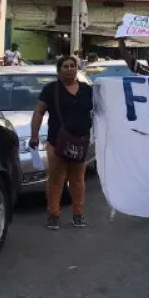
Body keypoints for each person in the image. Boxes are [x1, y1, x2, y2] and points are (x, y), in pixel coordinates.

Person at [29, 56, 94, 230]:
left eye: (73, 66)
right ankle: (53, 215)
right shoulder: (51, 89)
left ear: (77, 69)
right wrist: (34, 135)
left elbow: (101, 109)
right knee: (56, 180)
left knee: (78, 180)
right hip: (57, 143)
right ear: (59, 70)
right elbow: (38, 112)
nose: (69, 69)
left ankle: (78, 215)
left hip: (80, 142)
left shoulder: (87, 90)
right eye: (65, 66)